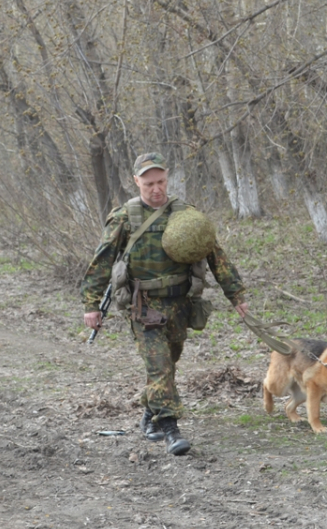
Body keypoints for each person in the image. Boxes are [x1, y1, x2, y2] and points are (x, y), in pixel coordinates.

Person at [81, 152, 249, 456]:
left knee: (167, 365)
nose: (156, 189)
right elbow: (102, 261)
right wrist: (91, 304)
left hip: (179, 304)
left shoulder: (185, 214)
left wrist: (235, 294)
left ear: (167, 178)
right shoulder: (125, 218)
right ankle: (171, 429)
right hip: (142, 306)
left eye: (160, 182)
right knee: (159, 367)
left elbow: (216, 256)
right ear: (136, 182)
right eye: (148, 184)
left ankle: (150, 413)